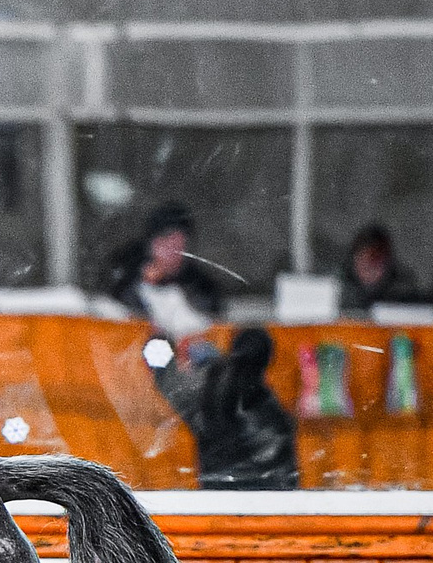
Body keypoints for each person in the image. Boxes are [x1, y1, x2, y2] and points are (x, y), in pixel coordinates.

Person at [153, 325, 299, 491]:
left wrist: (159, 341)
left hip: (221, 500)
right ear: (267, 359)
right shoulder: (271, 408)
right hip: (268, 504)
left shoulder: (209, 394)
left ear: (233, 350)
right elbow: (287, 475)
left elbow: (167, 380)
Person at [106, 201, 224, 339]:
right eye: (164, 244)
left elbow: (206, 325)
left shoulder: (202, 287)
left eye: (178, 245)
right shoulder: (125, 277)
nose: (172, 252)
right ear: (150, 245)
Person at [337, 222, 421, 312]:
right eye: (364, 262)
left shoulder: (403, 289)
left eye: (375, 262)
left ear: (387, 262)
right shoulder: (338, 287)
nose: (370, 268)